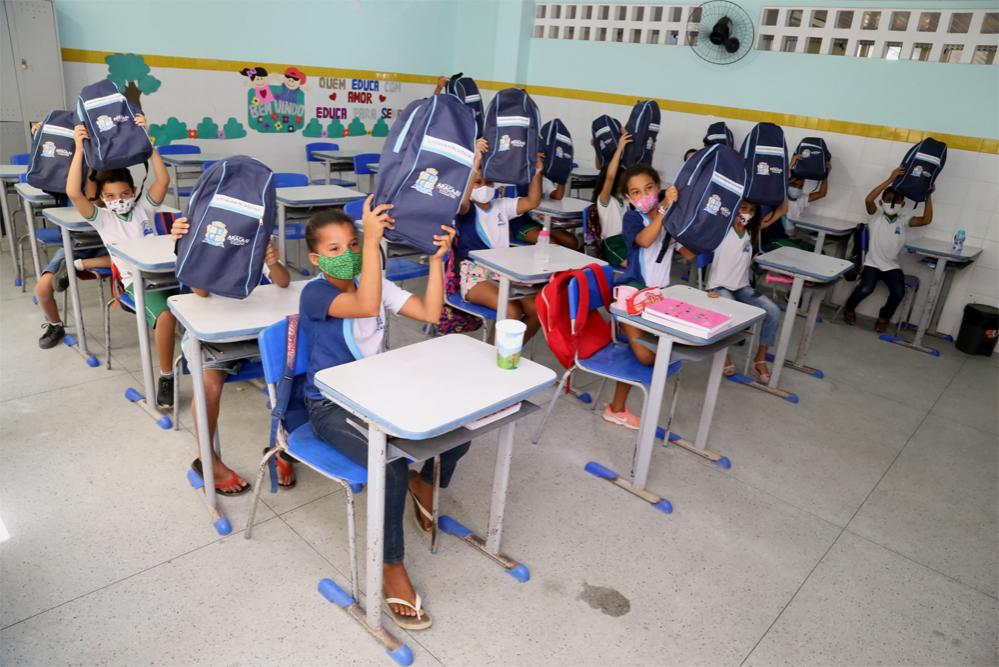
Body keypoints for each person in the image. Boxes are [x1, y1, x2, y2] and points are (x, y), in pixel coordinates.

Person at [301, 197, 460, 630]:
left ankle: (424, 483)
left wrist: (436, 262)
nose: (348, 253)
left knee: (460, 423)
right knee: (389, 465)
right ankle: (391, 564)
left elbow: (430, 313)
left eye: (353, 244)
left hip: (379, 396)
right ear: (315, 259)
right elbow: (366, 305)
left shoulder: (375, 281)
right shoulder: (315, 293)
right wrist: (372, 242)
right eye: (334, 249)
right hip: (331, 406)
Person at [170, 217, 292, 494]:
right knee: (209, 388)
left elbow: (283, 283)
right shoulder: (206, 243)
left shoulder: (254, 240)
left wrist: (273, 262)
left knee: (293, 374)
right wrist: (190, 248)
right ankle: (208, 459)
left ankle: (283, 446)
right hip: (215, 336)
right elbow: (200, 292)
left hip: (255, 333)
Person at [66, 115, 178, 407]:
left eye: (125, 194)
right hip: (135, 283)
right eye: (112, 196)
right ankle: (166, 376)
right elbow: (73, 193)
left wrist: (147, 139)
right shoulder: (103, 219)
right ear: (102, 198)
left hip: (167, 274)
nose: (119, 200)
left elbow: (163, 179)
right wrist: (79, 150)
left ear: (134, 191)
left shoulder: (143, 209)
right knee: (166, 317)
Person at [605, 164, 693, 429]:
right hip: (632, 295)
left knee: (645, 352)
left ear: (658, 187)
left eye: (648, 188)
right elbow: (644, 240)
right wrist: (665, 209)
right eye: (636, 192)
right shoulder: (633, 219)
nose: (643, 195)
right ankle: (617, 407)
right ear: (628, 198)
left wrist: (694, 221)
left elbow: (689, 254)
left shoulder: (669, 219)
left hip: (659, 297)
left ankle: (616, 408)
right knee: (645, 356)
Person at [455, 138, 543, 341]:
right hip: (474, 274)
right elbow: (462, 202)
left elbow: (532, 201)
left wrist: (537, 171)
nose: (485, 187)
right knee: (511, 311)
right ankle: (492, 357)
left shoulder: (501, 205)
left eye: (489, 182)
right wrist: (475, 162)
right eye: (478, 182)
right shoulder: (466, 209)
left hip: (503, 272)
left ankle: (508, 352)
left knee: (537, 311)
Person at [844, 168, 933, 332]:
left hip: (891, 266)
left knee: (898, 293)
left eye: (897, 201)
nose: (892, 203)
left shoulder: (903, 220)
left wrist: (928, 196)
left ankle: (884, 316)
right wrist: (891, 179)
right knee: (865, 288)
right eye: (889, 200)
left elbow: (926, 219)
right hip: (871, 263)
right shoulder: (876, 216)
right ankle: (849, 308)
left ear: (903, 204)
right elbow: (869, 199)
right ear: (881, 202)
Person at [706, 200, 782, 383]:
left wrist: (782, 185)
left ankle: (760, 358)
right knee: (730, 314)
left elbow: (782, 209)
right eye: (743, 208)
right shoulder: (721, 229)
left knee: (773, 311)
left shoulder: (752, 231)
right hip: (719, 287)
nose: (747, 213)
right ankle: (724, 355)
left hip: (742, 287)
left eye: (752, 210)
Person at [592, 130, 633, 267]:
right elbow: (610, 177)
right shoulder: (605, 200)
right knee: (634, 265)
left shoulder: (624, 199)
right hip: (613, 243)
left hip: (627, 240)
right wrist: (619, 148)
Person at [783, 153, 830, 237]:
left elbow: (821, 193)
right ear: (787, 183)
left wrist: (826, 174)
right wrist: (791, 165)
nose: (797, 188)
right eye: (794, 185)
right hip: (777, 232)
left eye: (800, 186)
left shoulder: (801, 198)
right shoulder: (780, 195)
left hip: (790, 234)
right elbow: (781, 180)